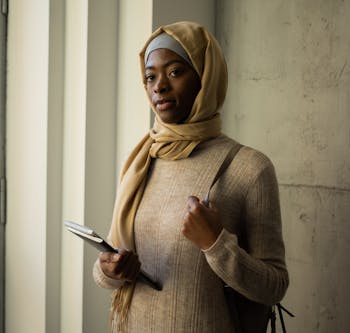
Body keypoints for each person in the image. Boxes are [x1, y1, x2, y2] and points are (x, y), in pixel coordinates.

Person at [93, 21, 289, 332]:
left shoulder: (249, 167)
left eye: (175, 72)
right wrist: (109, 269)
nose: (159, 86)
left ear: (205, 77)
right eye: (150, 77)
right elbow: (110, 261)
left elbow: (274, 286)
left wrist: (215, 244)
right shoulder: (141, 160)